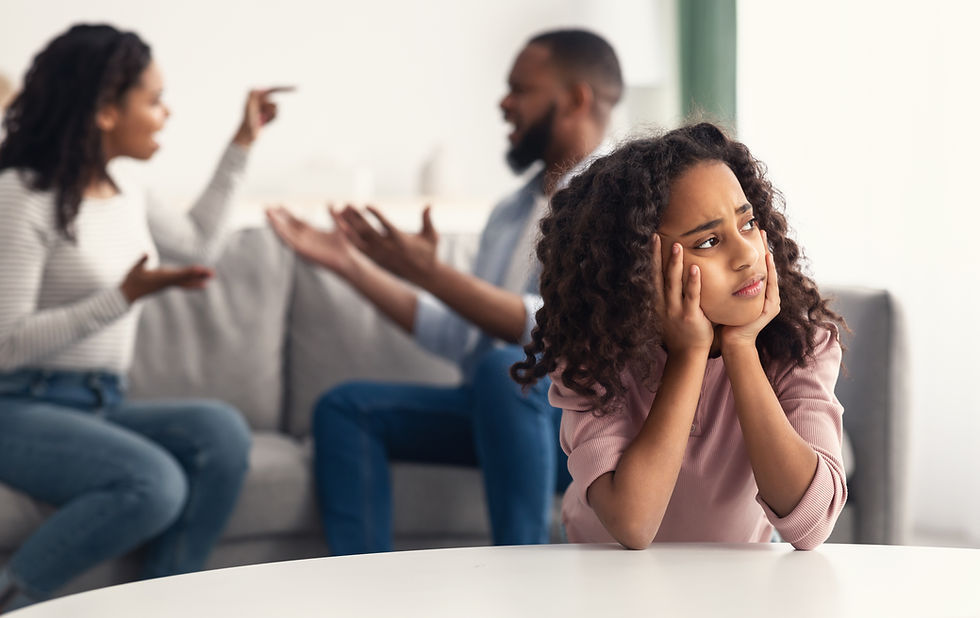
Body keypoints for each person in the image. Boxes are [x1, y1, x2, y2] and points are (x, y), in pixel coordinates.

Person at [266, 29, 623, 554]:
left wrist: (431, 274)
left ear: (575, 98)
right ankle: (361, 593)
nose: (504, 103)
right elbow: (462, 337)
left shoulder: (618, 203)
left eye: (520, 89)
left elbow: (554, 329)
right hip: (495, 402)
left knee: (505, 372)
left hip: (574, 421)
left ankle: (525, 586)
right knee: (344, 408)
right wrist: (351, 265)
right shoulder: (509, 213)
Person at [0, 24, 286, 611]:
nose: (166, 113)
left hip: (101, 400)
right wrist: (121, 298)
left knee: (222, 432)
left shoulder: (126, 184)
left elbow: (201, 242)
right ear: (105, 111)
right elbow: (4, 345)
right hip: (17, 403)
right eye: (153, 100)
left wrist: (243, 141)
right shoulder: (20, 196)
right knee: (153, 483)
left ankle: (161, 602)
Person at [511, 122, 848, 551]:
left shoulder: (802, 344)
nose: (746, 255)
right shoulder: (594, 354)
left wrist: (740, 348)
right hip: (603, 580)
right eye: (708, 241)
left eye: (747, 225)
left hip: (731, 587)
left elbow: (812, 525)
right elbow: (632, 524)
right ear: (639, 267)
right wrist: (690, 354)